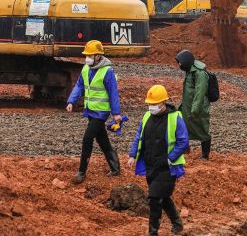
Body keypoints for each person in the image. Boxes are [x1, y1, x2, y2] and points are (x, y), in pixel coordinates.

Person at [128, 85, 187, 236]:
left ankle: (152, 232)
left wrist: (170, 158)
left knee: (154, 199)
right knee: (163, 196)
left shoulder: (175, 117)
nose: (151, 107)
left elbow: (183, 141)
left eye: (154, 104)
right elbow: (139, 136)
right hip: (151, 165)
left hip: (167, 167)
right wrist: (132, 155)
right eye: (149, 104)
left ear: (163, 103)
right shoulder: (147, 116)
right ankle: (177, 223)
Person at [66, 40, 122, 184]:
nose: (87, 58)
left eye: (90, 55)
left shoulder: (107, 71)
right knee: (102, 139)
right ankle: (115, 167)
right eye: (87, 55)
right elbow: (79, 86)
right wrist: (71, 101)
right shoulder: (86, 69)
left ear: (98, 56)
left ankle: (81, 172)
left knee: (87, 138)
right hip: (90, 110)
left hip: (101, 112)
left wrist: (116, 113)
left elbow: (113, 93)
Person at [175, 50, 211, 159]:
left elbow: (200, 93)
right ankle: (185, 149)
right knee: (182, 127)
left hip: (198, 108)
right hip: (187, 106)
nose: (179, 65)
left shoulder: (199, 73)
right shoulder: (190, 70)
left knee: (202, 130)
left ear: (186, 62)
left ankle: (205, 155)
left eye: (180, 63)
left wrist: (195, 109)